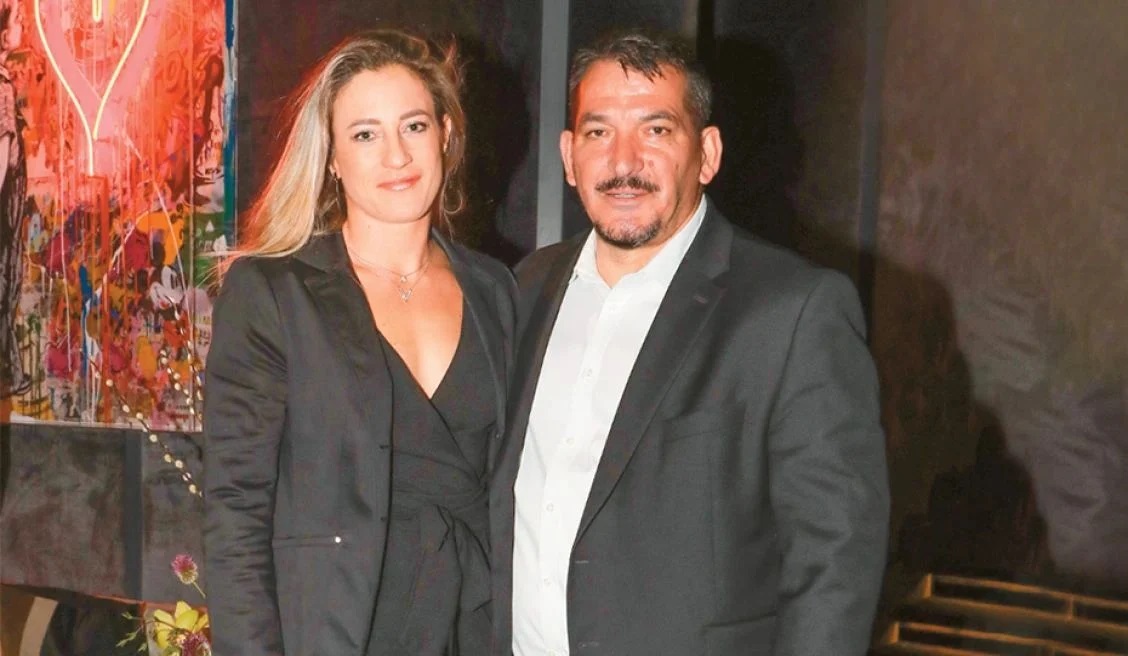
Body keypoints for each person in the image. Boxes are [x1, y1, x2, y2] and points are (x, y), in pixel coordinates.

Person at [489, 30, 889, 655]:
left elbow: (835, 564)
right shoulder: (524, 288)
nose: (623, 161)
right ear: (568, 156)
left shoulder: (793, 311)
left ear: (707, 153)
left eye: (656, 130)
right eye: (598, 132)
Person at [202, 28, 516, 656]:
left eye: (414, 126)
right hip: (336, 631)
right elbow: (235, 511)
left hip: (470, 627)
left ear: (445, 136)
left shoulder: (496, 289)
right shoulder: (274, 293)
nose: (396, 156)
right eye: (365, 135)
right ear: (332, 158)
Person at [0, 0, 28, 398]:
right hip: (5, 212)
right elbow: (3, 153)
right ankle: (10, 371)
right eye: (19, 19)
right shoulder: (3, 89)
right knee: (6, 285)